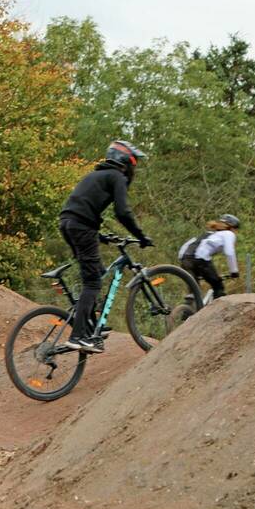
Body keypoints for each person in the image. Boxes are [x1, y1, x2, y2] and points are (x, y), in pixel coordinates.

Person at [58, 139, 154, 352]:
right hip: (81, 226)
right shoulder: (116, 176)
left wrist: (99, 236)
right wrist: (141, 236)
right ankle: (78, 337)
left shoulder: (95, 175)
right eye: (134, 163)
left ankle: (90, 325)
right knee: (92, 283)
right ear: (126, 161)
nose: (134, 169)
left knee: (97, 273)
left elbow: (82, 207)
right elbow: (123, 212)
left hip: (68, 224)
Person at [178, 214, 241, 300]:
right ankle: (215, 311)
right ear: (232, 228)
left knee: (194, 289)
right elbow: (229, 252)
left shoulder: (209, 233)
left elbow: (188, 244)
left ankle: (189, 307)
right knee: (218, 286)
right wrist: (234, 271)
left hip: (185, 259)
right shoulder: (228, 234)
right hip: (200, 260)